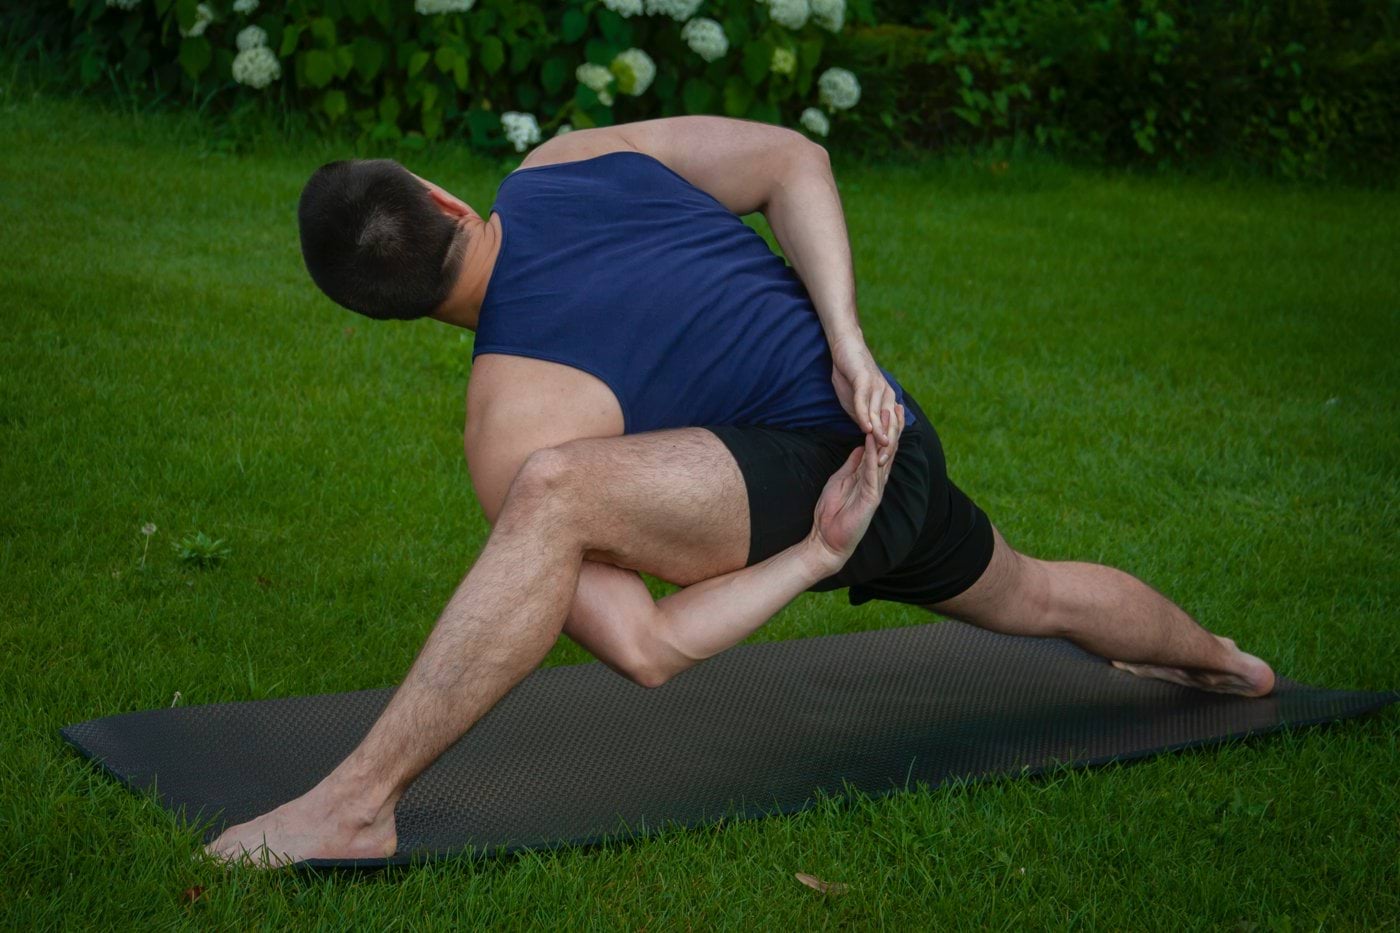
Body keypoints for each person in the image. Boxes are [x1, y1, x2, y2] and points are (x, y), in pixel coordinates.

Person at [206, 116, 1275, 866]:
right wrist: (848, 382)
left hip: (846, 452)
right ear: (443, 198)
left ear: (382, 315)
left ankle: (355, 805)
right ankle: (1228, 662)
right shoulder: (566, 161)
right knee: (1031, 591)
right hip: (875, 438)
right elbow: (792, 157)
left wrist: (819, 520)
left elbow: (649, 649)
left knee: (552, 490)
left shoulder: (508, 425)